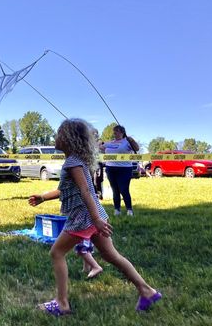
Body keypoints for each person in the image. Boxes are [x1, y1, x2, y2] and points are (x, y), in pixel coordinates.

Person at [29, 118, 161, 317]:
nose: (55, 137)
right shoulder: (78, 162)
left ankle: (62, 303)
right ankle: (146, 290)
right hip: (95, 216)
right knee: (111, 256)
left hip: (84, 218)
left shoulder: (73, 162)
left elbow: (85, 192)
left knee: (56, 253)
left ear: (68, 139)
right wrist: (42, 197)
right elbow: (65, 190)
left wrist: (95, 220)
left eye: (58, 133)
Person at [100, 125, 139, 216]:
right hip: (110, 168)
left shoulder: (127, 142)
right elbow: (100, 147)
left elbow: (136, 148)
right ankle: (117, 210)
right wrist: (99, 142)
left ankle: (129, 210)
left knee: (124, 189)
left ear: (122, 132)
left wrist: (132, 140)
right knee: (115, 190)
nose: (114, 133)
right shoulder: (110, 142)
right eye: (114, 131)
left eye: (116, 131)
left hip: (124, 169)